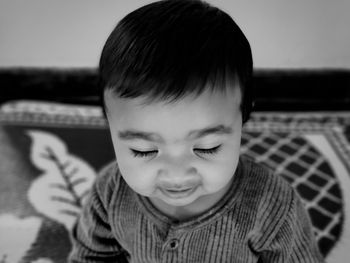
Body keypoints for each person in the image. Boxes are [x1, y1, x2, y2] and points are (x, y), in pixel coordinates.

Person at [69, 0, 324, 262]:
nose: (177, 174)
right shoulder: (110, 194)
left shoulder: (272, 205)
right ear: (110, 127)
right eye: (143, 151)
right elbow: (92, 256)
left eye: (207, 147)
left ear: (243, 116)